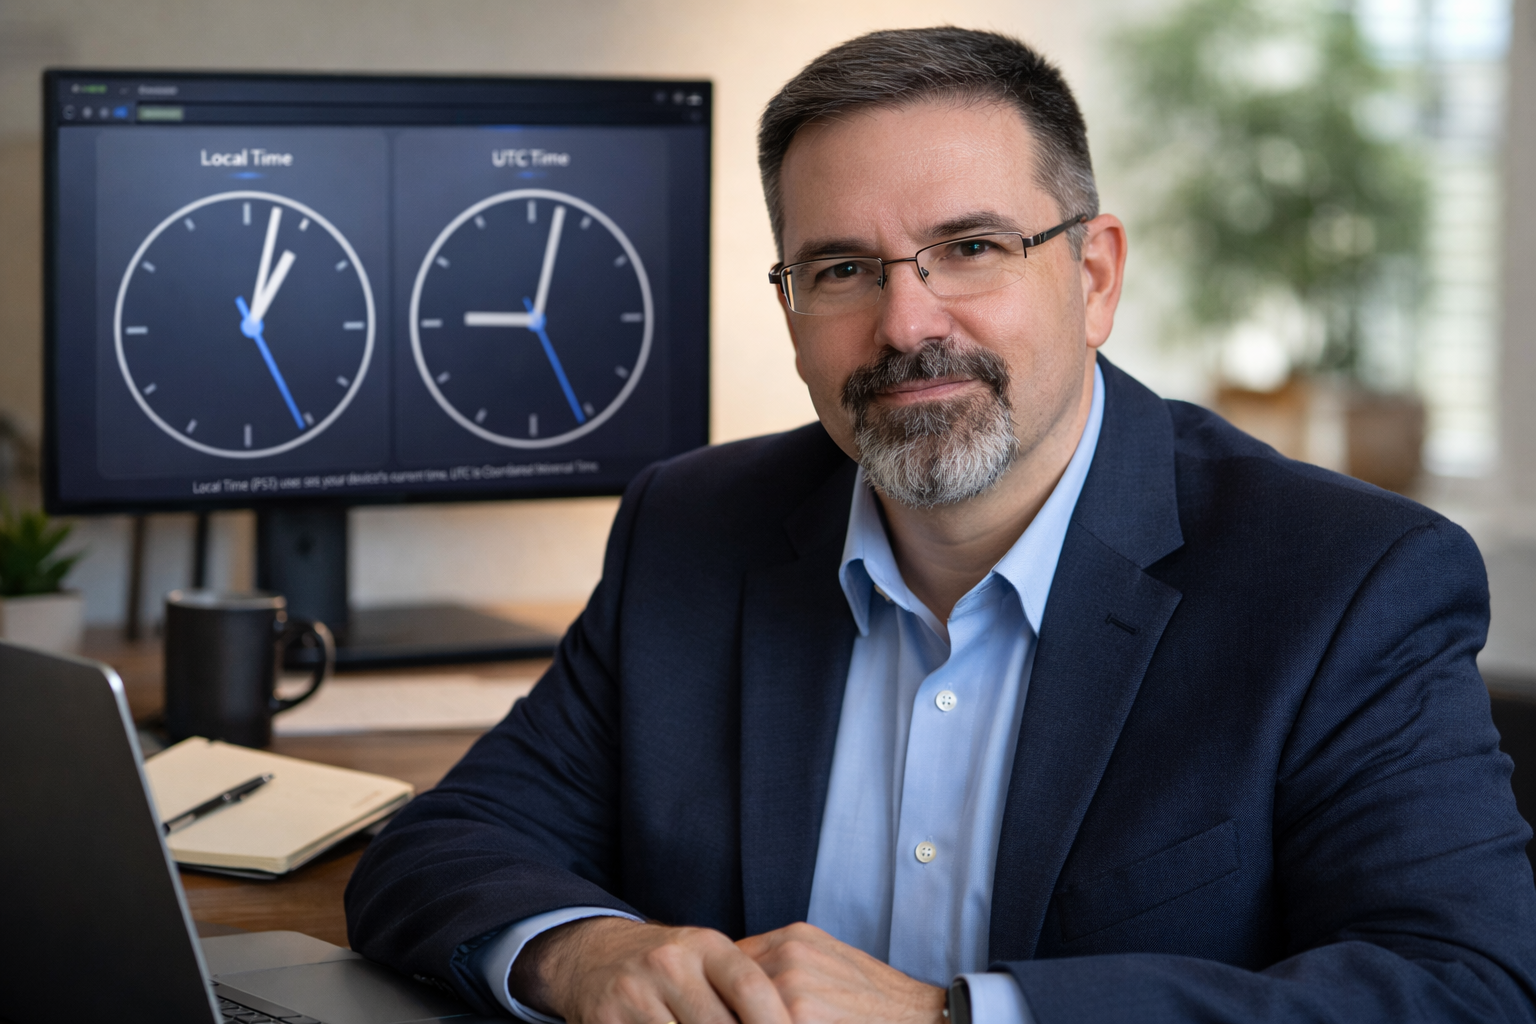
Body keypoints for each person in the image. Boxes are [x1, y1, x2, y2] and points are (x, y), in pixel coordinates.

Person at [346, 26, 1536, 1024]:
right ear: (793, 308)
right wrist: (584, 954)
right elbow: (443, 846)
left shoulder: (1346, 580)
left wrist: (949, 1016)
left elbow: (1459, 986)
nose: (908, 322)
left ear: (1096, 276)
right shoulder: (692, 528)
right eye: (842, 269)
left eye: (970, 248)